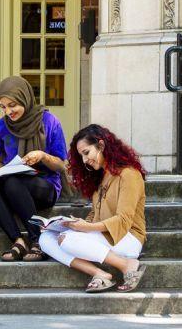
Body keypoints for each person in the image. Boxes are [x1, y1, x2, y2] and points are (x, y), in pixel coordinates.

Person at [39, 124, 147, 293]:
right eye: (81, 156)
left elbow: (124, 219)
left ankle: (126, 265)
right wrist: (74, 223)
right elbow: (95, 214)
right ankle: (99, 273)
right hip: (105, 235)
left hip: (128, 238)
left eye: (86, 153)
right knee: (45, 238)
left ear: (101, 145)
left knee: (67, 239)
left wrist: (87, 228)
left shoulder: (129, 174)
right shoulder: (102, 176)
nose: (84, 160)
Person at [0, 76, 67, 262]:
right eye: (3, 107)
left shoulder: (49, 121)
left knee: (13, 182)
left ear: (25, 98)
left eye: (12, 105)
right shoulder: (0, 126)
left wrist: (42, 156)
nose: (8, 111)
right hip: (13, 185)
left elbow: (61, 165)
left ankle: (38, 239)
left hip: (44, 186)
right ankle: (18, 240)